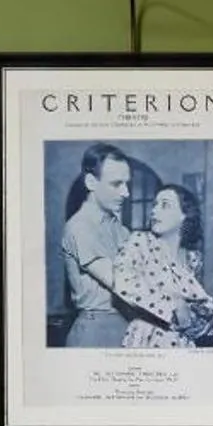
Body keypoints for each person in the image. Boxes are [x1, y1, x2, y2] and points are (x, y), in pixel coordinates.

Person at [114, 184, 213, 350]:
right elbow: (123, 284)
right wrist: (173, 305)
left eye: (165, 205)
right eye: (155, 205)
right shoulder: (139, 242)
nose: (155, 211)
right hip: (145, 339)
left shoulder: (193, 259)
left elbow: (198, 312)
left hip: (182, 344)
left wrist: (192, 319)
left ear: (184, 215)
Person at [60, 144, 137, 346]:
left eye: (126, 184)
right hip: (97, 332)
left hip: (126, 324)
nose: (126, 193)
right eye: (116, 184)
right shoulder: (80, 227)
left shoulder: (118, 228)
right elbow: (123, 282)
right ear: (91, 182)